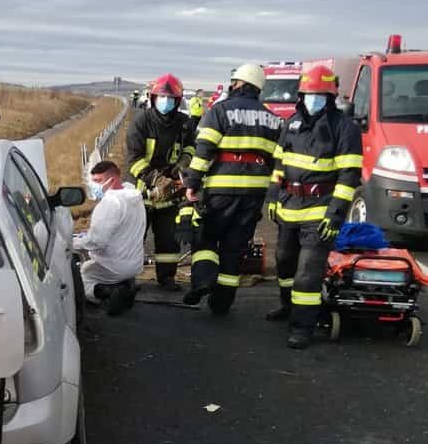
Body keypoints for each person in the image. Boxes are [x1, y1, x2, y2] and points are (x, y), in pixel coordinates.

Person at [264, 65, 363, 349]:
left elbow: (348, 176)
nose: (313, 98)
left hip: (320, 211)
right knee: (284, 262)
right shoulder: (292, 122)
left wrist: (335, 214)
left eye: (319, 94)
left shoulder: (344, 128)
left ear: (330, 97)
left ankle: (302, 327)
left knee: (308, 272)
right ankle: (287, 306)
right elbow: (279, 163)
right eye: (308, 94)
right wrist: (272, 197)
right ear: (300, 95)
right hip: (289, 206)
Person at [181, 62, 282, 315]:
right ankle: (222, 302)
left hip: (221, 189)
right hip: (254, 193)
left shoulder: (220, 111)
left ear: (239, 83)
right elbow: (278, 159)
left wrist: (192, 182)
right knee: (235, 247)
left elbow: (204, 150)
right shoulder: (272, 118)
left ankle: (203, 282)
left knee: (205, 236)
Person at [124, 73, 195, 290]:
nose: (166, 102)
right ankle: (128, 278)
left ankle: (167, 277)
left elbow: (192, 147)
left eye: (171, 99)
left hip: (172, 190)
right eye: (162, 98)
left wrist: (183, 162)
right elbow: (133, 159)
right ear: (153, 99)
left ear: (178, 101)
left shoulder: (184, 123)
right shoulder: (141, 122)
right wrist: (156, 179)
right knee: (135, 237)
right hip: (143, 191)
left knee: (168, 239)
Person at [73, 160, 145, 316]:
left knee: (81, 276)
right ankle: (125, 286)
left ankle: (108, 293)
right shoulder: (134, 196)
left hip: (113, 266)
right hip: (135, 265)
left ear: (112, 180)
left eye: (98, 181)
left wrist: (70, 242)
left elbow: (96, 241)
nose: (94, 186)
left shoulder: (110, 203)